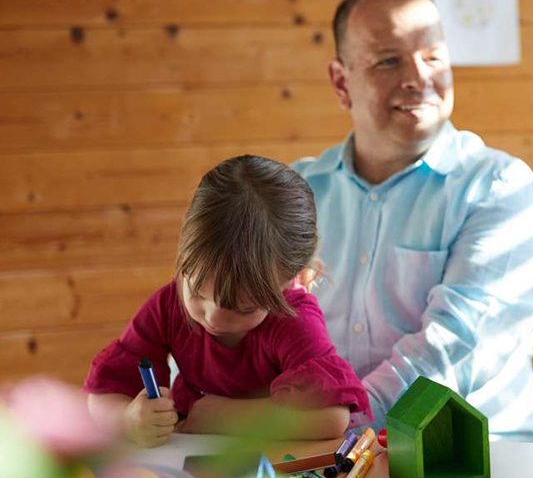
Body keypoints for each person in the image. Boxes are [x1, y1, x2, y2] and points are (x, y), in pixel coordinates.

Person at [293, 0, 533, 437]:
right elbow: (240, 318)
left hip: (468, 461)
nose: (419, 78)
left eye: (433, 57)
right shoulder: (296, 192)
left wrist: (342, 420)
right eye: (389, 61)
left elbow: (454, 347)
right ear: (341, 83)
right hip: (320, 454)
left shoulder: (499, 187)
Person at [84, 156, 371, 447]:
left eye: (242, 308)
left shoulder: (292, 319)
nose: (213, 317)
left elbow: (332, 417)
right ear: (185, 258)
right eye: (196, 291)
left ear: (293, 280)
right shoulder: (168, 304)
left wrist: (222, 416)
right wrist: (129, 420)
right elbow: (102, 396)